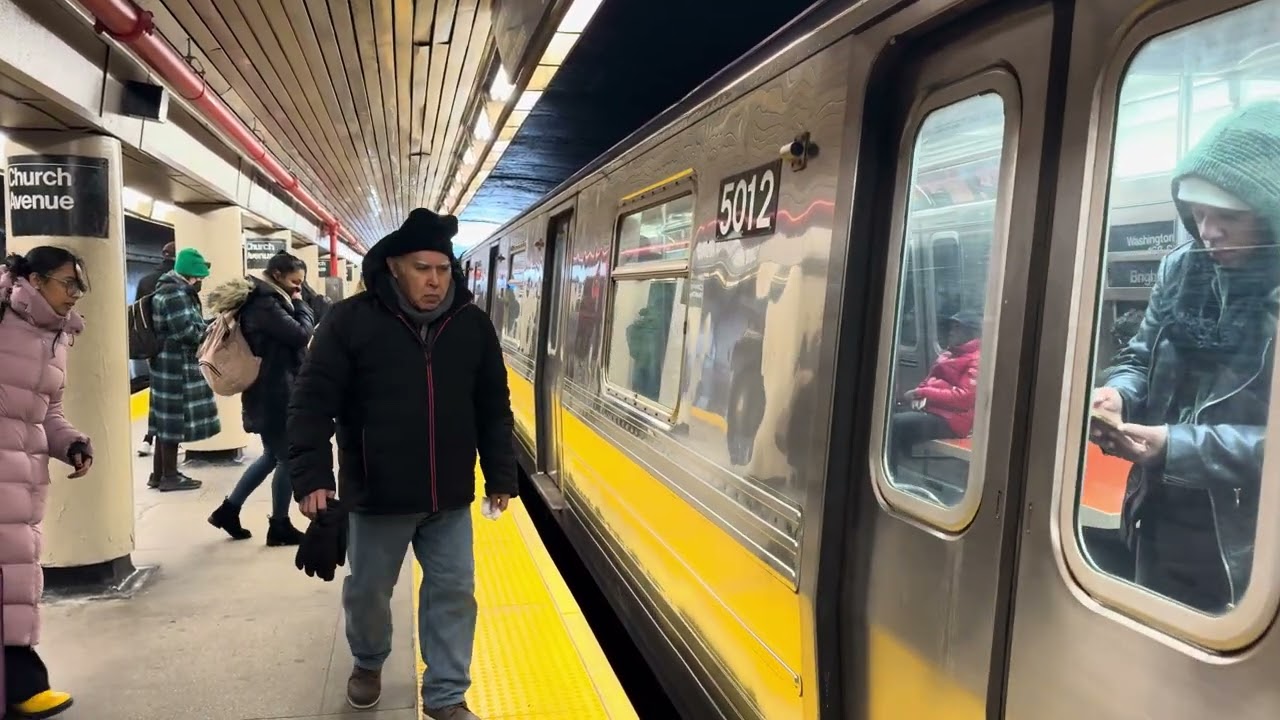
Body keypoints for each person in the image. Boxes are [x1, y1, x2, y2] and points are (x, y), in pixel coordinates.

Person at [288, 208, 517, 720]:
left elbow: (493, 404)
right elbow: (310, 402)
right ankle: (368, 661)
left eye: (442, 269)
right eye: (422, 269)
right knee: (368, 592)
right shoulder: (350, 321)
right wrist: (313, 479)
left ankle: (446, 696)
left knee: (455, 593)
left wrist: (501, 472)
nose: (435, 281)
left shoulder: (472, 325)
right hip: (377, 494)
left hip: (450, 496)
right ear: (394, 267)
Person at [1090, 101, 1280, 613]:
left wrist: (1178, 447)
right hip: (1159, 509)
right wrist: (1119, 394)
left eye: (1228, 217)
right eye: (1197, 213)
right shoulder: (1182, 270)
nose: (1208, 231)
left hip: (1249, 538)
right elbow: (1140, 358)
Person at [0, 247, 94, 719]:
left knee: (14, 579)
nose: (75, 294)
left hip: (22, 478)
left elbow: (47, 412)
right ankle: (22, 683)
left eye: (80, 286)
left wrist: (71, 442)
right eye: (67, 283)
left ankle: (20, 685)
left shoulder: (56, 337)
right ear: (35, 281)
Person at [207, 252, 315, 545]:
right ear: (278, 275)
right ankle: (279, 524)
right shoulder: (265, 303)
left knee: (271, 456)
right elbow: (299, 334)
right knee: (286, 460)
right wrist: (303, 305)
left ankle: (228, 511)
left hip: (270, 391)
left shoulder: (268, 299)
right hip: (275, 394)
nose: (298, 288)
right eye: (296, 282)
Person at [146, 247, 219, 492]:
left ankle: (158, 474)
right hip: (175, 366)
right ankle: (169, 476)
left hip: (165, 363)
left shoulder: (166, 290)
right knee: (172, 421)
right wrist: (210, 331)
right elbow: (186, 332)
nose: (200, 282)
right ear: (191, 274)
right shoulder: (175, 294)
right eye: (199, 277)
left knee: (163, 420)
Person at [887, 310, 982, 469]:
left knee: (895, 425)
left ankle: (891, 473)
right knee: (886, 416)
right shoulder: (949, 353)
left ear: (970, 332)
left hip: (952, 420)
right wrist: (916, 395)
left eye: (957, 328)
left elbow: (963, 398)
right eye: (951, 327)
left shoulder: (976, 359)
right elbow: (929, 380)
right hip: (933, 410)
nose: (951, 332)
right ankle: (900, 465)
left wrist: (921, 393)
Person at [134, 241, 175, 457]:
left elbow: (138, 315)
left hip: (150, 345)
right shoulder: (177, 283)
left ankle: (149, 439)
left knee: (157, 392)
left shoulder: (145, 281)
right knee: (171, 402)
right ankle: (161, 444)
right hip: (173, 349)